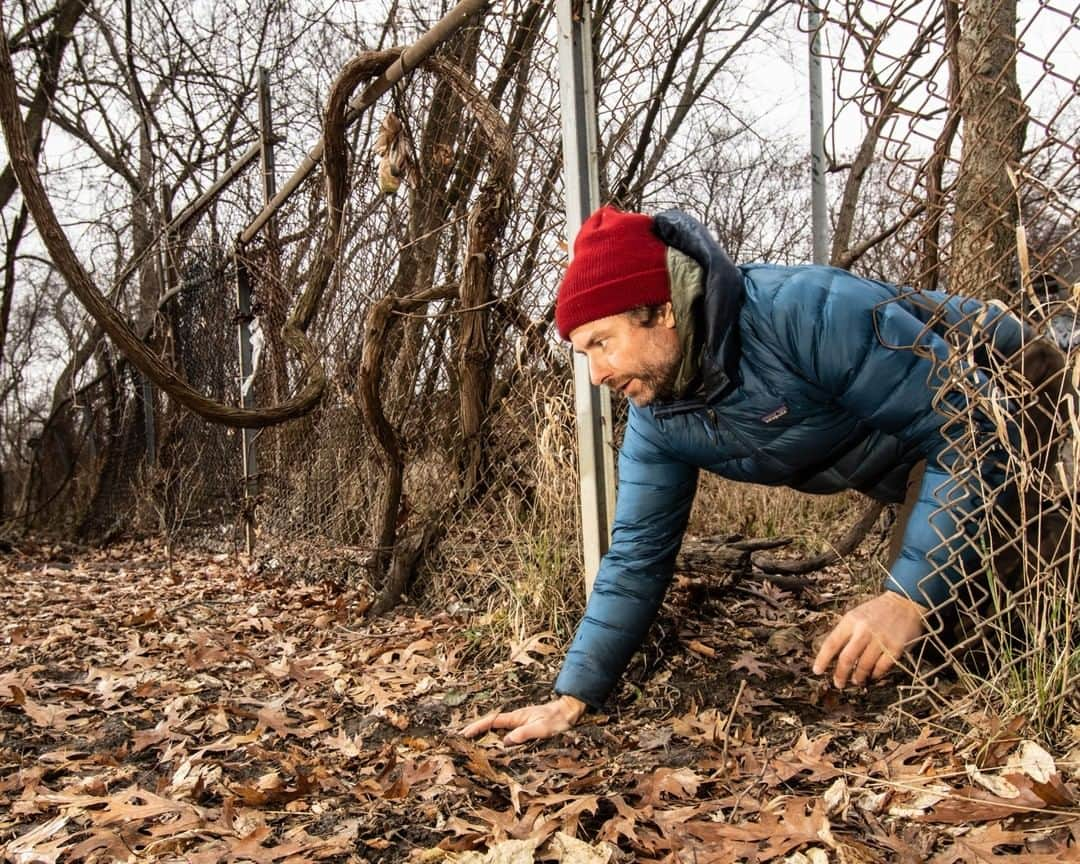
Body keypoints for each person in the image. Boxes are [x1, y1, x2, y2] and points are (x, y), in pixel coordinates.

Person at [463, 205, 1061, 745]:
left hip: (1012, 390)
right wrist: (573, 697)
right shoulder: (660, 416)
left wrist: (905, 599)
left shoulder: (798, 313)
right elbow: (637, 555)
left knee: (1003, 598)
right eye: (584, 354)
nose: (597, 374)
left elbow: (969, 429)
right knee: (938, 638)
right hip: (912, 449)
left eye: (602, 343)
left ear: (663, 310)